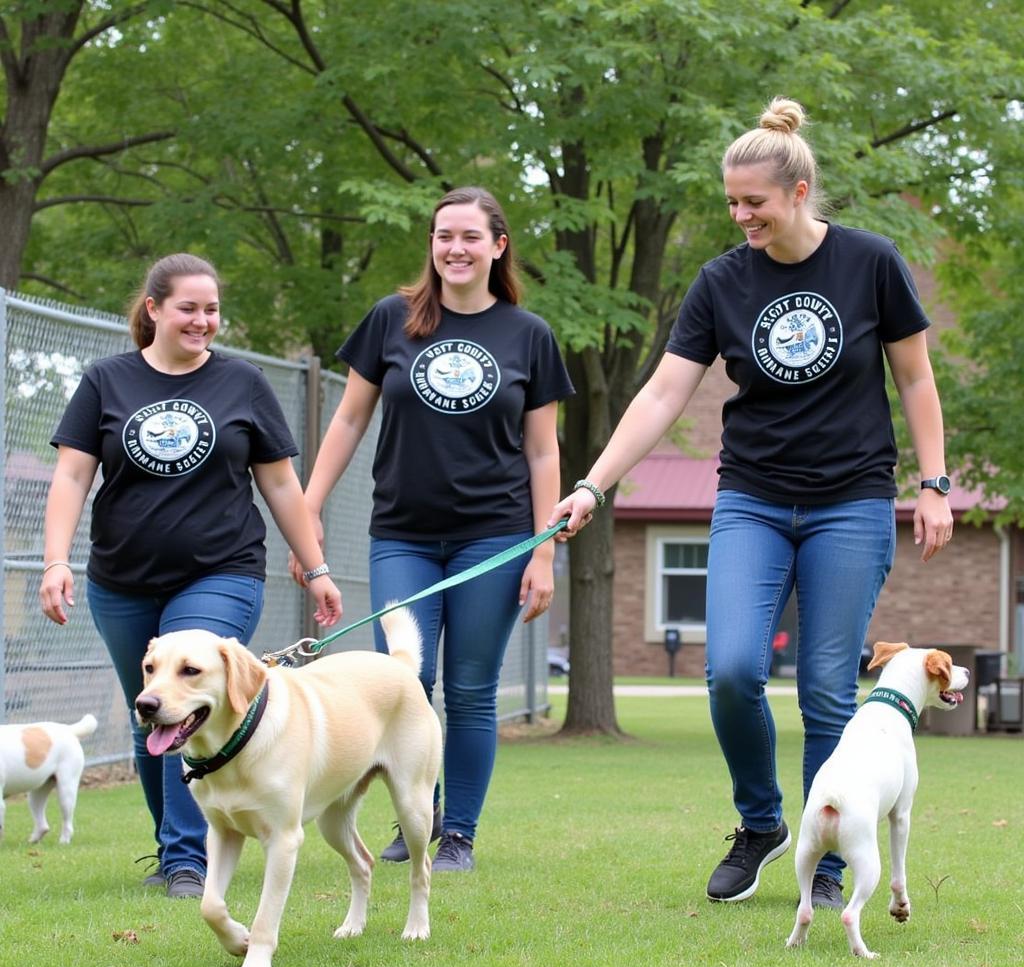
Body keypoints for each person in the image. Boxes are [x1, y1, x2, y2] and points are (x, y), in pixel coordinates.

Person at [550, 98, 953, 910]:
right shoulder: (722, 281)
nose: (741, 217)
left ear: (799, 191)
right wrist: (595, 481)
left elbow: (914, 377)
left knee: (828, 689)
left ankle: (833, 858)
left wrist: (935, 483)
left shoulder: (871, 262)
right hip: (753, 499)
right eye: (732, 203)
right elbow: (666, 391)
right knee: (732, 669)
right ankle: (763, 821)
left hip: (852, 500)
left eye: (755, 203)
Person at [39, 253, 342, 898]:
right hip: (120, 579)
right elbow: (70, 475)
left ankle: (186, 861)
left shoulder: (244, 384)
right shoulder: (105, 381)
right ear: (154, 310)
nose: (203, 321)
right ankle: (173, 845)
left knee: (188, 698)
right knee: (153, 710)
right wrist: (56, 560)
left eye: (211, 310)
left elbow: (281, 483)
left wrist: (315, 565)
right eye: (188, 309)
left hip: (222, 571)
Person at [291, 186, 574, 871]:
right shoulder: (392, 320)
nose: (455, 248)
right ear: (432, 244)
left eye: (471, 236)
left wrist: (543, 553)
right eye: (444, 235)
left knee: (472, 687)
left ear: (498, 246)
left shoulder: (527, 335)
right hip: (403, 535)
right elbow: (350, 418)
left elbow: (543, 451)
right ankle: (416, 815)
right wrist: (310, 509)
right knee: (405, 681)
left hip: (496, 537)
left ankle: (459, 835)